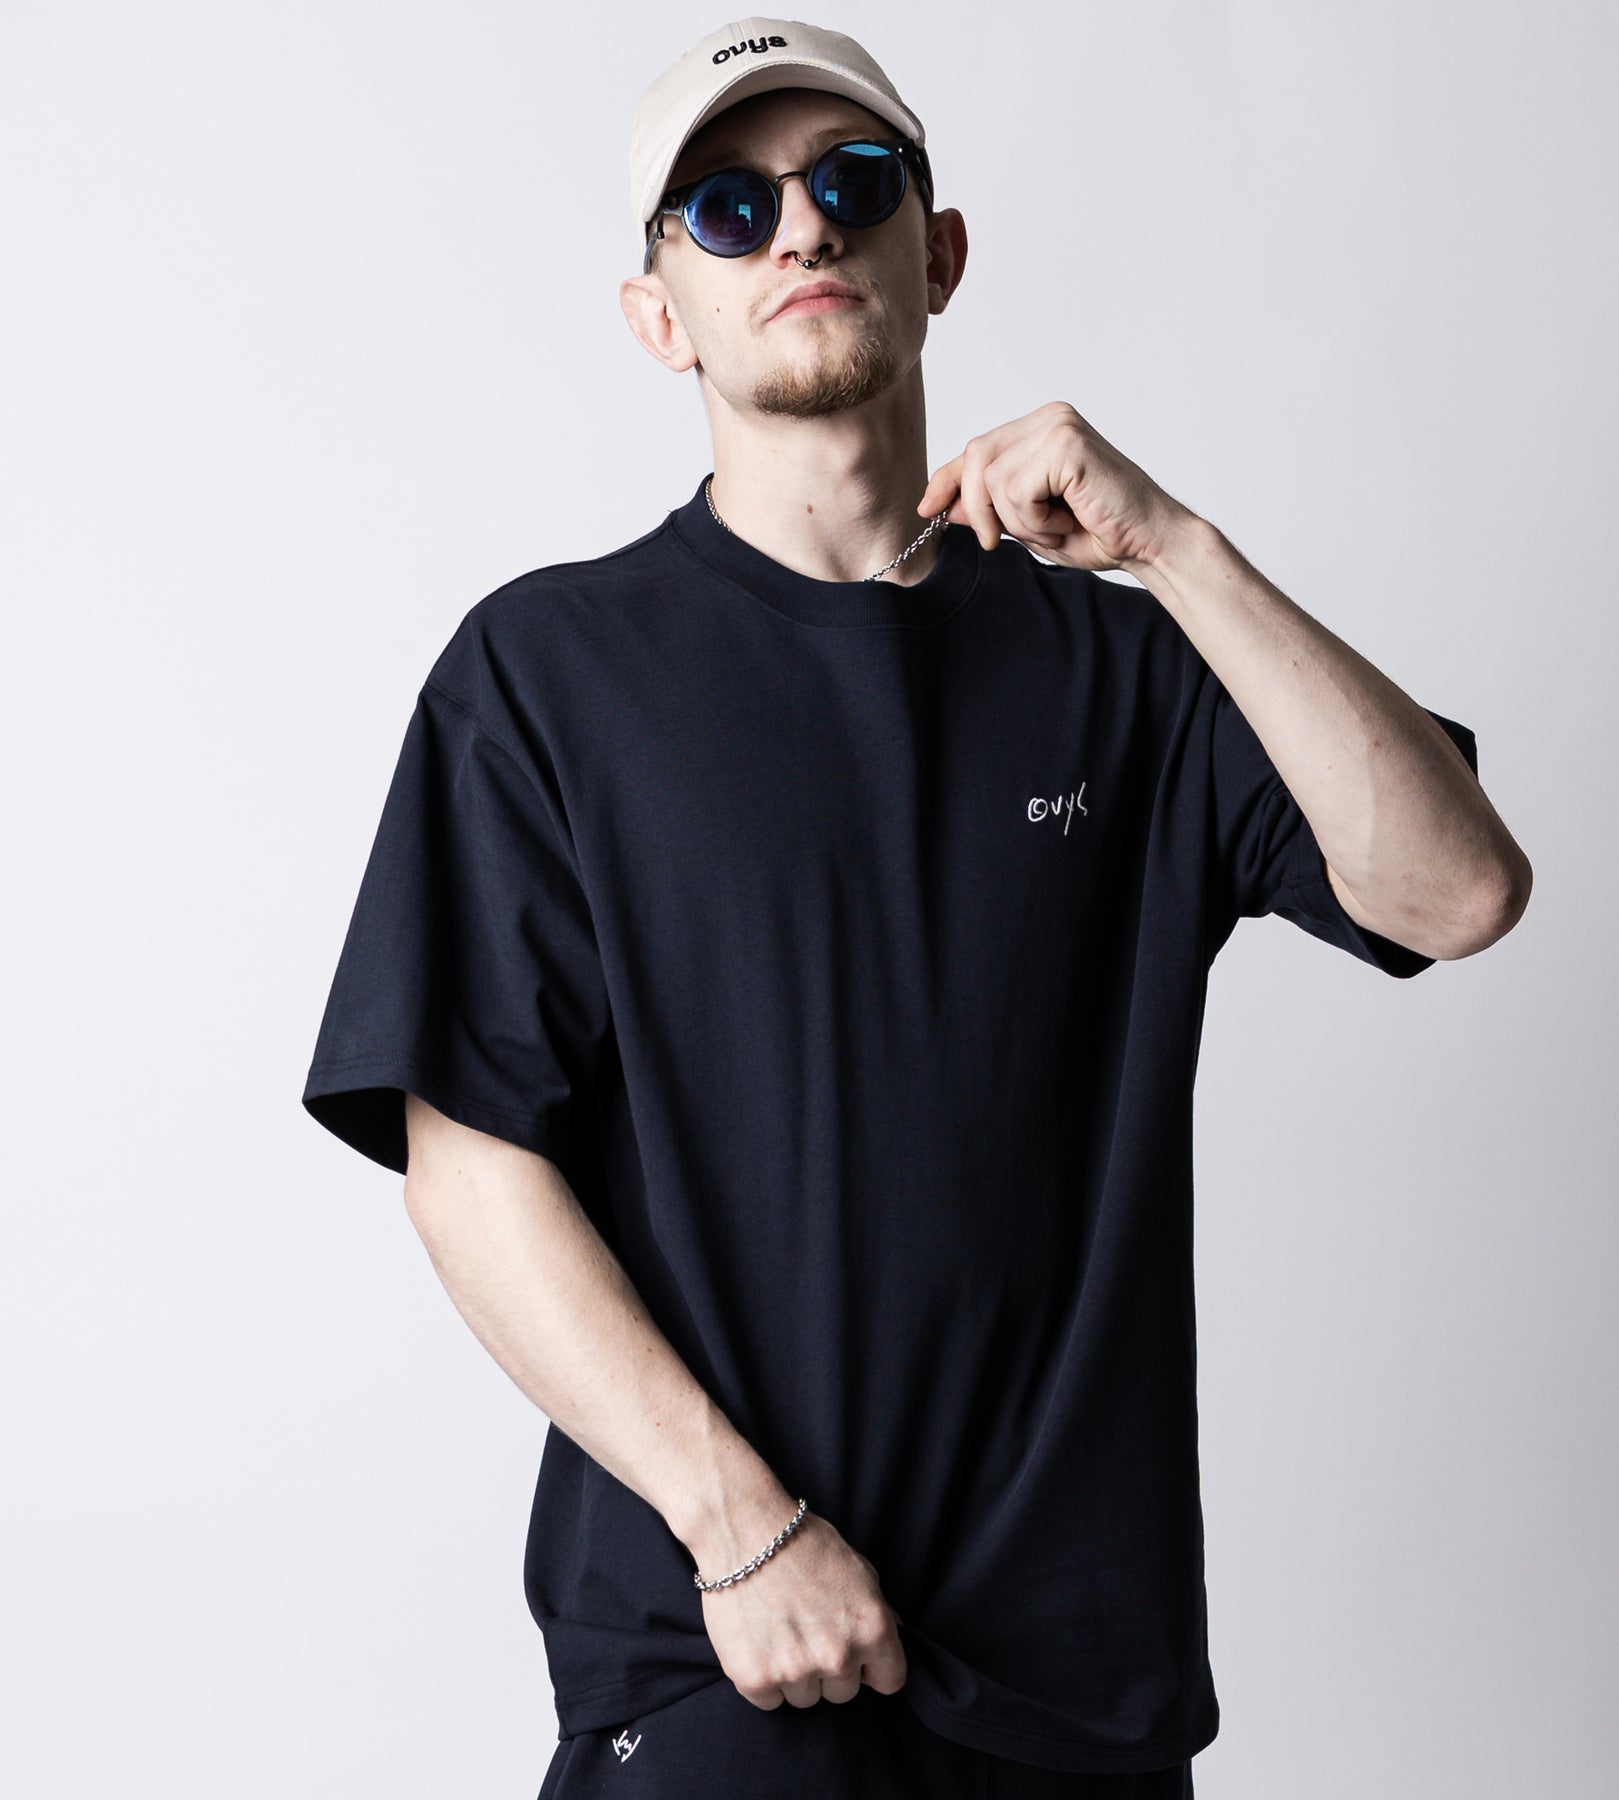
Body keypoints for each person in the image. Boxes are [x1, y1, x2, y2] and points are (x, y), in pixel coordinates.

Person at [300, 17, 1532, 1798]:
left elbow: (1460, 887)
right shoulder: (547, 676)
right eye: (729, 209)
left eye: (851, 183)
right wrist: (740, 1531)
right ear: (660, 314)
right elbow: (469, 1164)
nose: (800, 227)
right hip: (723, 1666)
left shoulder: (1129, 667)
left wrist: (1174, 547)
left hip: (1072, 1700)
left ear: (937, 253)